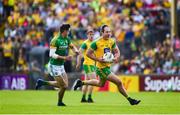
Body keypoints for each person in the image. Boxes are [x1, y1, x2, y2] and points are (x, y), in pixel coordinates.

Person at [74, 25, 140, 105]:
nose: (109, 33)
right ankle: (130, 100)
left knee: (100, 84)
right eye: (107, 32)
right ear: (102, 33)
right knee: (118, 82)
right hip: (101, 68)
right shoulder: (96, 42)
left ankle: (81, 83)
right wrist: (98, 59)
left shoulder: (111, 41)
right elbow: (88, 53)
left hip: (107, 67)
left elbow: (117, 51)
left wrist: (116, 57)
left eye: (110, 32)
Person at [35, 24, 79, 106]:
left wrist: (76, 51)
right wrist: (65, 58)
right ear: (64, 31)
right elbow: (51, 55)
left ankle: (43, 83)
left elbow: (72, 47)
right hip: (54, 66)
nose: (69, 32)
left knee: (65, 85)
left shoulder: (67, 39)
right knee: (64, 86)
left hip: (61, 66)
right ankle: (59, 102)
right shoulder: (55, 40)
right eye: (68, 30)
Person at [76, 27, 96, 103]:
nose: (91, 36)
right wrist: (78, 62)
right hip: (88, 64)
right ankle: (89, 98)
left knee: (87, 82)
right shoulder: (85, 43)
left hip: (92, 64)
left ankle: (83, 98)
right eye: (90, 34)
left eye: (92, 34)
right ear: (87, 35)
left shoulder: (94, 42)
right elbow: (79, 53)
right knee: (94, 81)